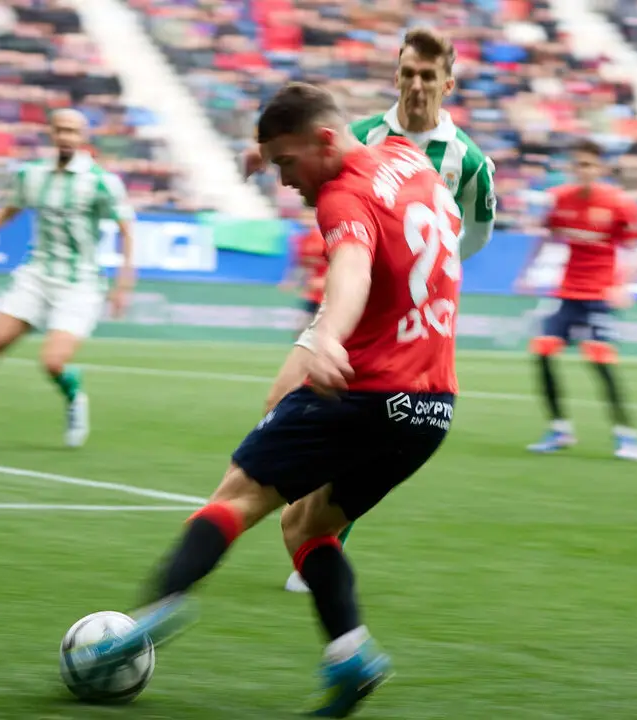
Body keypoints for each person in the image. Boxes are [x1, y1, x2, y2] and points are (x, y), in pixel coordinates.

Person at [66, 83, 461, 718]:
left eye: (286, 164)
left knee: (237, 496)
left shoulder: (342, 194)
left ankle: (150, 615)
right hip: (430, 408)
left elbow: (353, 264)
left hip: (360, 390)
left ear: (325, 144)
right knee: (308, 523)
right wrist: (265, 152)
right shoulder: (405, 157)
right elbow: (342, 132)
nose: (286, 182)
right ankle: (351, 655)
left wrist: (328, 335)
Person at [255, 26, 497, 594]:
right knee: (279, 401)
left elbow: (477, 234)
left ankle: (324, 536)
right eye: (408, 73)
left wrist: (424, 275)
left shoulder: (469, 162)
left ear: (448, 83)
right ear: (397, 75)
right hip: (349, 297)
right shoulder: (361, 134)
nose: (416, 84)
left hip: (407, 315)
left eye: (428, 76)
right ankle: (299, 527)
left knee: (374, 419)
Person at [0, 109, 135, 448]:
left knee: (53, 362)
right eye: (60, 130)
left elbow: (126, 231)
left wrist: (124, 283)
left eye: (73, 131)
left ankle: (74, 394)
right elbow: (6, 212)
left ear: (83, 137)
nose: (66, 136)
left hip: (80, 284)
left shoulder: (101, 181)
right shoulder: (31, 175)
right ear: (51, 133)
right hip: (36, 275)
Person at [515, 139, 637, 461]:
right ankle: (560, 429)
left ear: (600, 168)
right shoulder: (560, 200)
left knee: (599, 360)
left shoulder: (619, 204)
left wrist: (624, 285)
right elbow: (546, 237)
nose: (583, 170)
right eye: (578, 165)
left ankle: (627, 435)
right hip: (567, 292)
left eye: (589, 165)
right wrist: (527, 273)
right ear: (571, 168)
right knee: (542, 351)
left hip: (599, 295)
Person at [281, 209, 328, 333]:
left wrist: (325, 280)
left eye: (309, 218)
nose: (306, 221)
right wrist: (291, 280)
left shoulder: (324, 238)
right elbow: (300, 264)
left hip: (329, 293)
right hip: (313, 293)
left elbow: (337, 263)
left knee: (324, 330)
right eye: (303, 217)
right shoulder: (300, 240)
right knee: (302, 328)